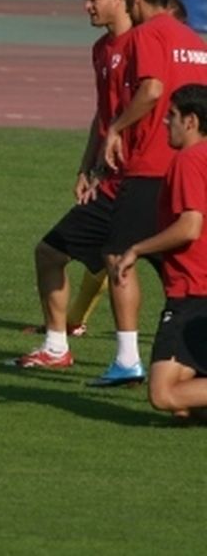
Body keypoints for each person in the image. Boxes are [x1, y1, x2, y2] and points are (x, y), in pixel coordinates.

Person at [92, 0, 207, 387]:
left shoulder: (146, 35)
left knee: (119, 254)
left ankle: (127, 359)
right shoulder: (193, 40)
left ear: (135, 0)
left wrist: (117, 129)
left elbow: (153, 89)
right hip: (194, 158)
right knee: (178, 256)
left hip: (151, 163)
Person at [16, 0, 132, 368]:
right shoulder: (102, 50)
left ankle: (126, 359)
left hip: (137, 183)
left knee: (132, 265)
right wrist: (87, 167)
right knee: (52, 254)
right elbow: (104, 115)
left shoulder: (140, 46)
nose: (86, 7)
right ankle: (58, 347)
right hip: (110, 181)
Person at [111, 84, 207, 418]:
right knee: (186, 407)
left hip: (194, 293)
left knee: (165, 395)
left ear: (191, 122)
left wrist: (137, 248)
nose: (165, 122)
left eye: (172, 116)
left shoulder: (189, 161)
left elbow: (189, 227)